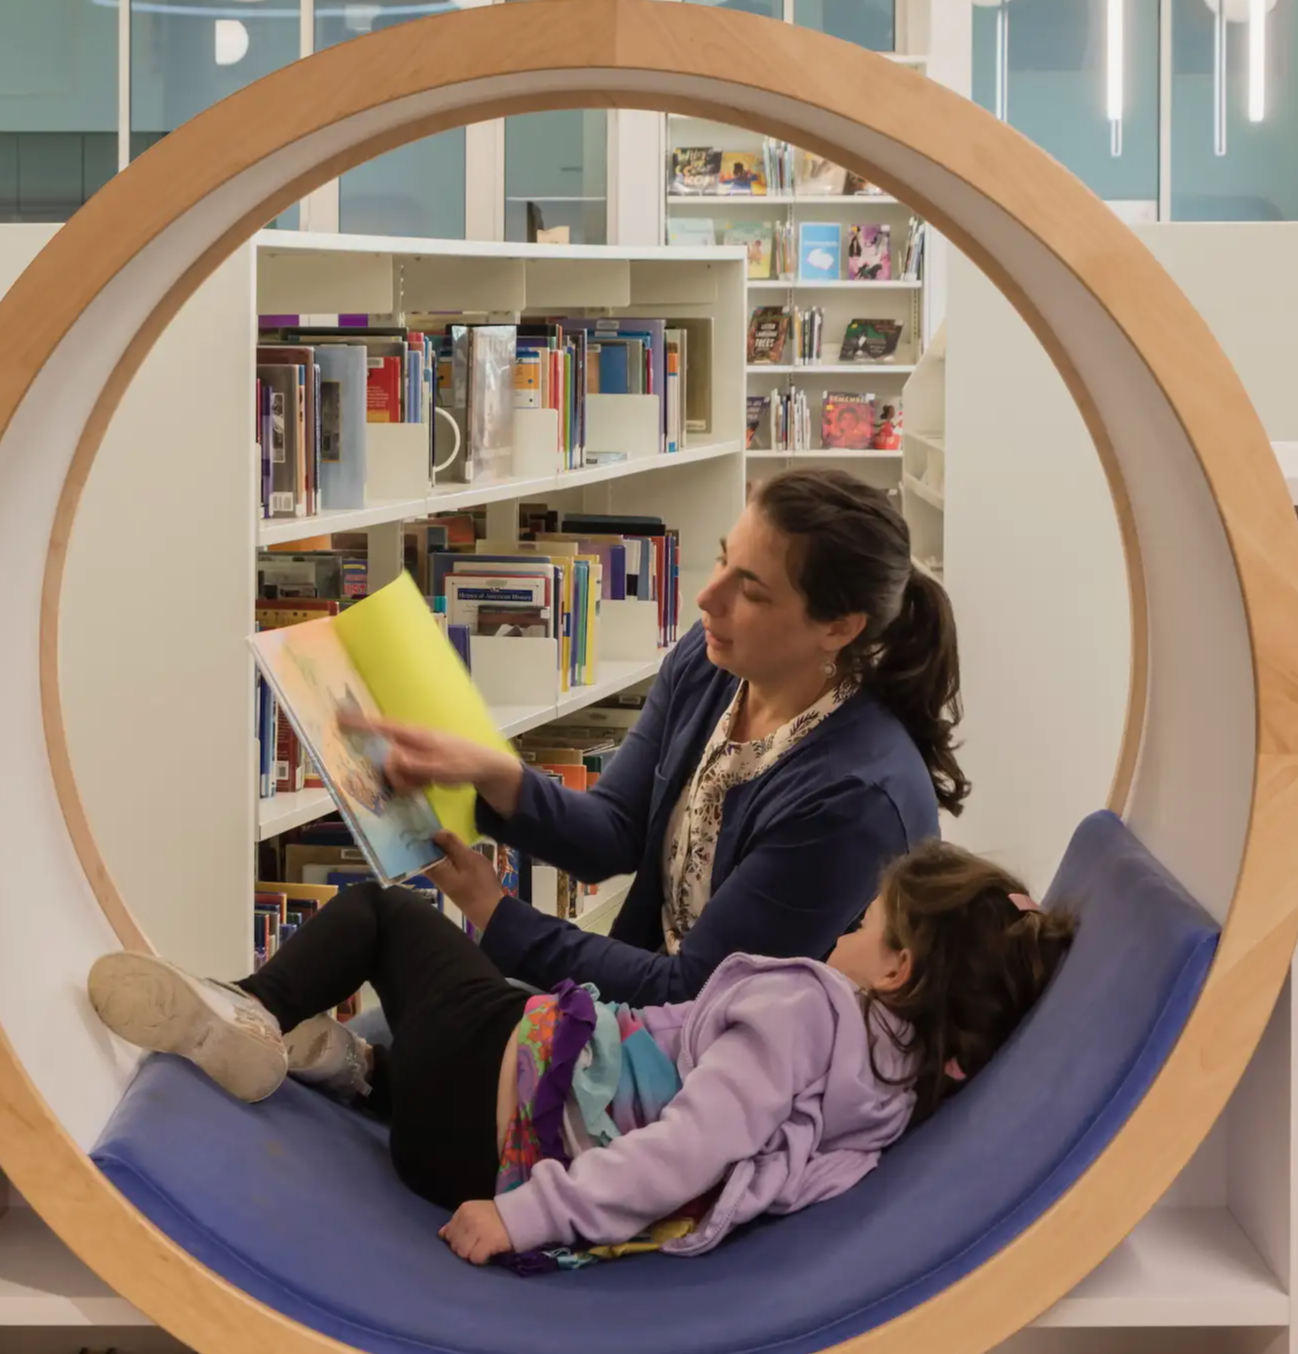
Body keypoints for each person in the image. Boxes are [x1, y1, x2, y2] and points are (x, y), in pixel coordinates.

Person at [84, 841, 1071, 1266]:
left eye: (867, 921)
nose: (845, 930)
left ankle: (248, 1014)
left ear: (894, 968)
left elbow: (690, 1143)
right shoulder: (891, 1095)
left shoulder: (807, 1008)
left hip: (490, 1108)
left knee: (387, 914)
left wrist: (526, 1217)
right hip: (468, 1133)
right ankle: (346, 1065)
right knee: (499, 1016)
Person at [368, 467, 967, 1008]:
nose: (708, 598)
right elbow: (616, 834)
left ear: (839, 628)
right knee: (383, 964)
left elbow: (695, 991)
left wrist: (494, 913)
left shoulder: (852, 800)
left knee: (389, 957)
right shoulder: (712, 666)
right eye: (721, 560)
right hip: (646, 1016)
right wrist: (492, 776)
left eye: (752, 591)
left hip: (729, 1066)